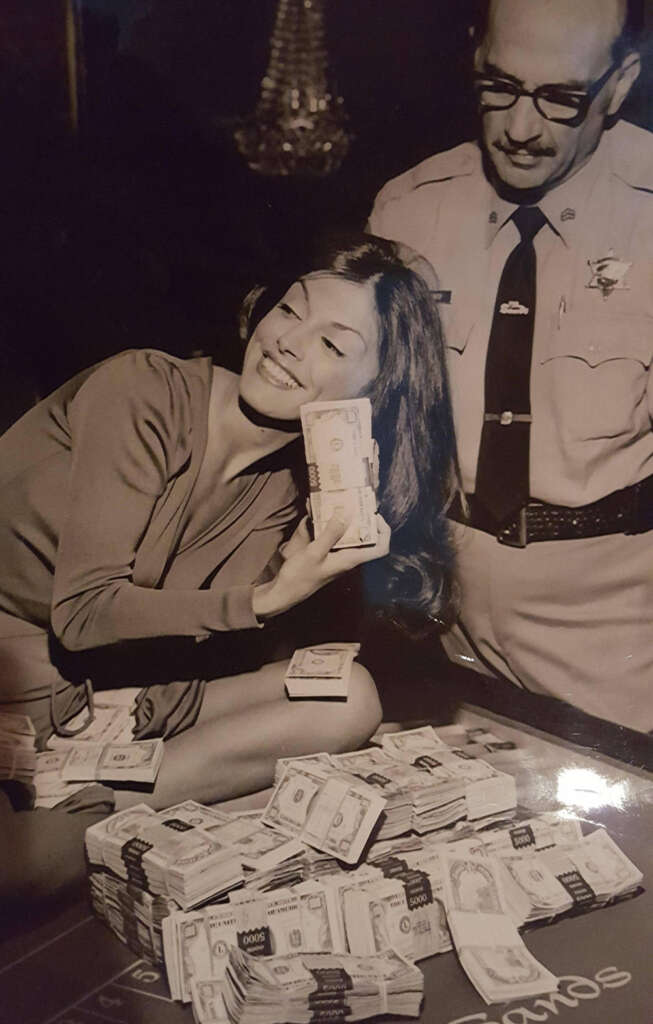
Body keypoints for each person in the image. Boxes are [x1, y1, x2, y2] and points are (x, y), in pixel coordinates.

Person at [0, 234, 457, 821]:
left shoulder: (289, 480)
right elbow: (85, 613)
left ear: (375, 393)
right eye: (289, 310)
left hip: (108, 694)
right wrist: (270, 595)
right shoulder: (142, 390)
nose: (287, 342)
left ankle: (101, 799)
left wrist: (289, 563)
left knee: (350, 695)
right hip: (18, 680)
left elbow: (199, 629)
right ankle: (75, 820)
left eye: (332, 345)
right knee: (27, 875)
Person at [369, 0, 653, 732]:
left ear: (619, 84)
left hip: (615, 642)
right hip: (440, 624)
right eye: (499, 87)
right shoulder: (408, 211)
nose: (520, 130)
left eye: (561, 99)